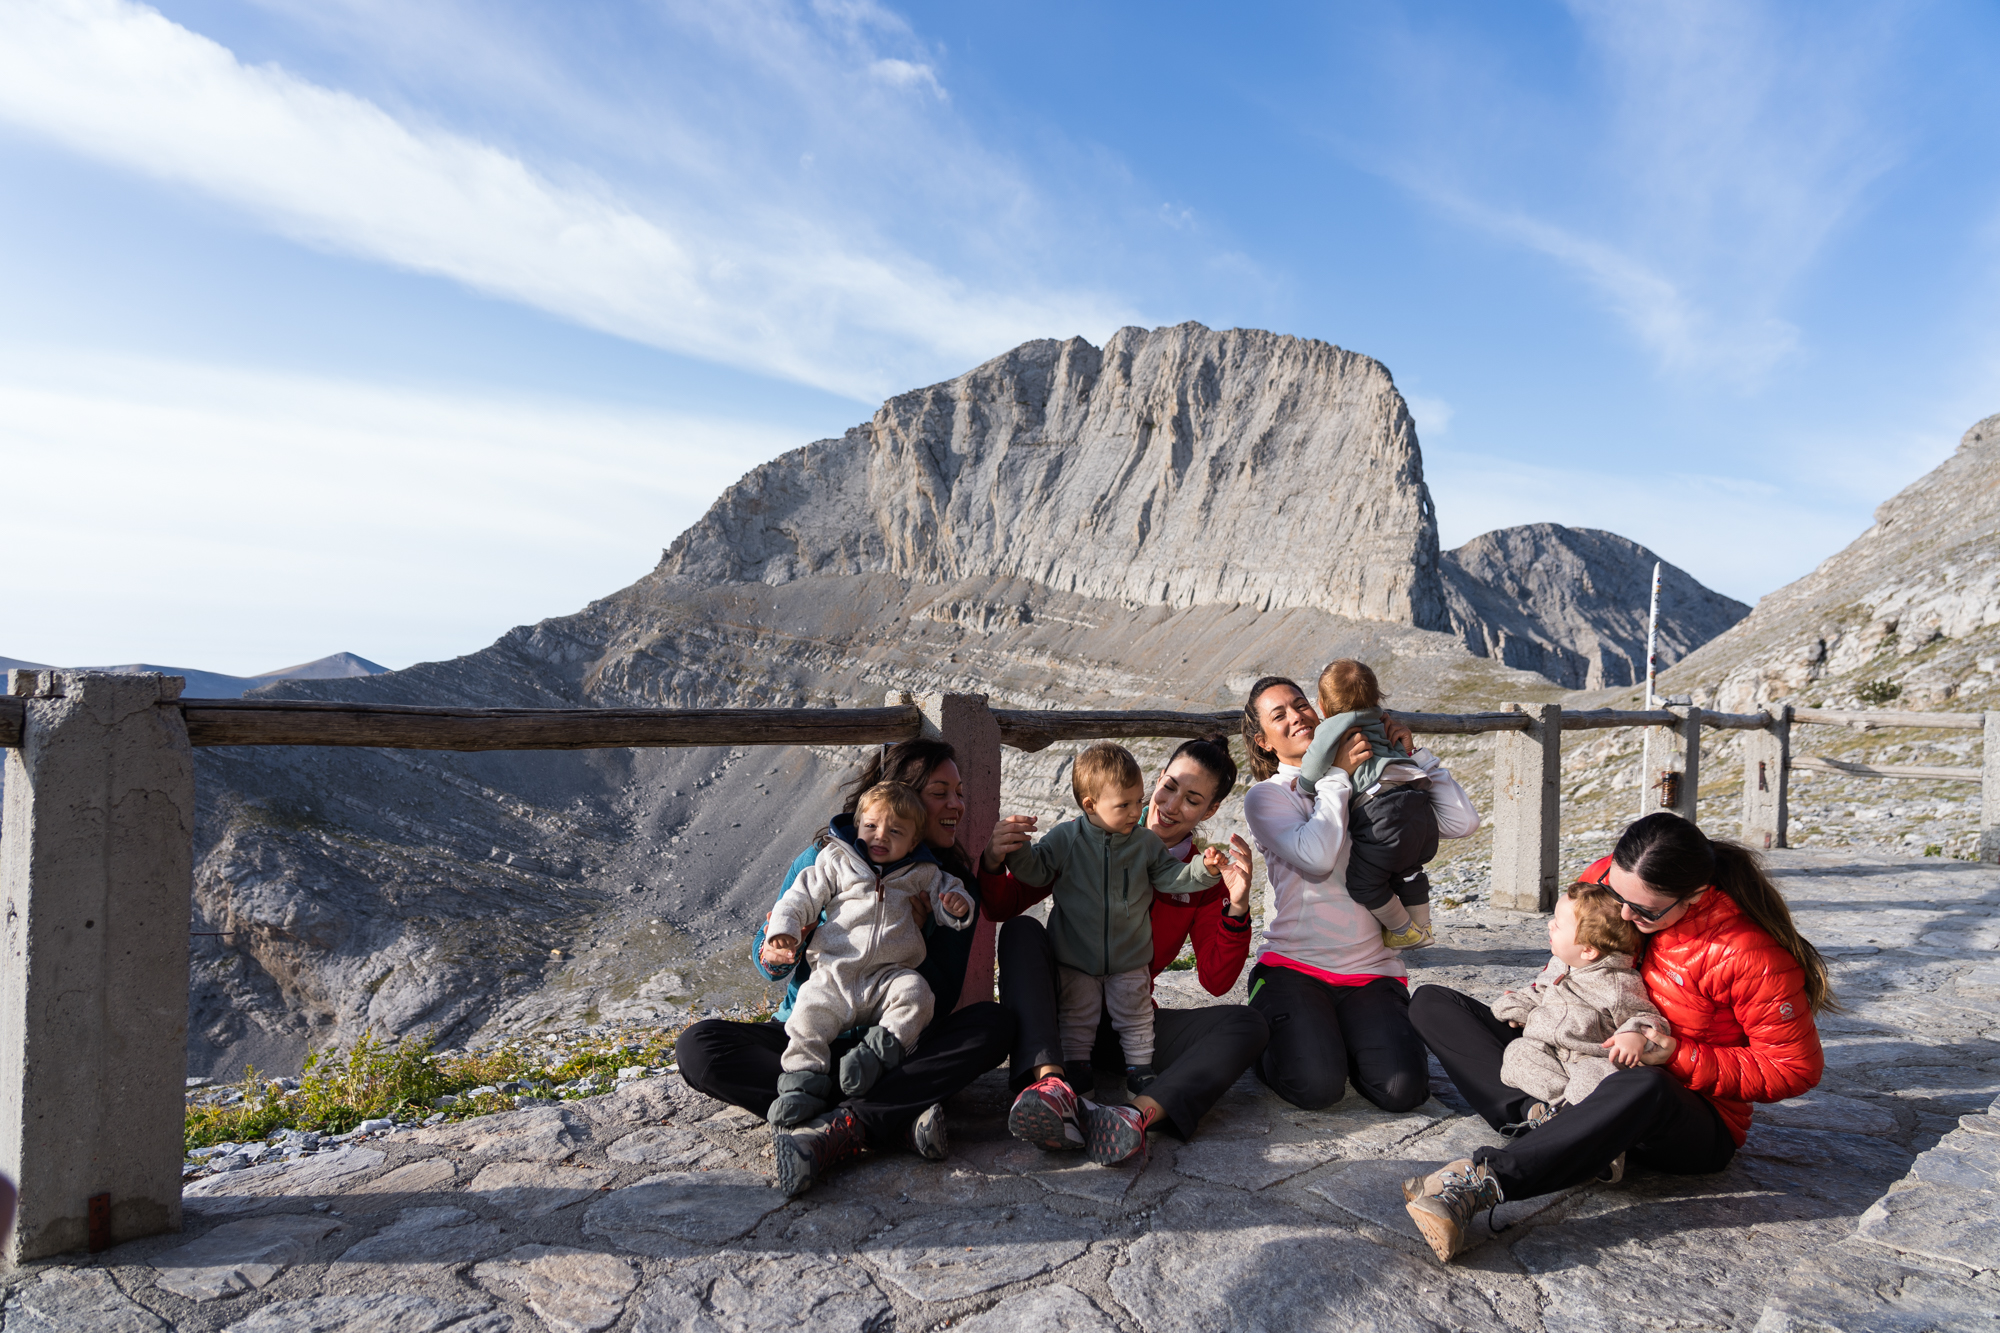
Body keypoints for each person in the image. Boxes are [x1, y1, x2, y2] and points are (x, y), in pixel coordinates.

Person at [1403, 812, 1833, 1264]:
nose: (1625, 914)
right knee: (1433, 1003)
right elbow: (1568, 962)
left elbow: (1795, 1069)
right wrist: (1538, 1007)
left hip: (1677, 1115)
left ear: (1695, 895)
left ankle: (1481, 1183)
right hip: (1574, 1070)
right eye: (1618, 894)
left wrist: (1676, 1056)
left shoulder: (1743, 952)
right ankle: (1554, 1126)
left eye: (1645, 911)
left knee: (1644, 1084)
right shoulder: (1606, 880)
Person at [675, 739, 1016, 1196]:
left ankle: (833, 1118)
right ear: (901, 794)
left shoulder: (948, 888)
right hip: (812, 1029)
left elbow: (943, 992)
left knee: (993, 1024)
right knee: (698, 1047)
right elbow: (771, 944)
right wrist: (779, 951)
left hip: (889, 1046)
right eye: (941, 793)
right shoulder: (825, 859)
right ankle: (886, 1118)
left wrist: (921, 934)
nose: (957, 804)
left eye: (959, 792)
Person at [988, 737, 1268, 1165]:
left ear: (1210, 811)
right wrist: (997, 856)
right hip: (1065, 1008)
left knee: (1246, 1024)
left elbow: (1216, 981)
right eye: (1169, 787)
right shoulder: (1082, 839)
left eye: (1192, 800)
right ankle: (1053, 1087)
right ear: (1157, 780)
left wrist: (1238, 905)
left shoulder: (1200, 876)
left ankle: (1133, 1116)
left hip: (1130, 1023)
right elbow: (1003, 904)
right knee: (1021, 931)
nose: (1169, 806)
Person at [1238, 675, 1480, 1114]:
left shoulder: (1376, 777)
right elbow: (1317, 858)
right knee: (1315, 1086)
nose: (1297, 717)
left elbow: (1461, 823)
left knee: (1403, 1091)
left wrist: (1415, 756)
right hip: (1295, 968)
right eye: (1279, 715)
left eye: (1301, 705)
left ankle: (1335, 1036)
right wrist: (1336, 775)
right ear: (1264, 742)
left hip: (1373, 971)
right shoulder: (1268, 796)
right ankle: (1270, 1029)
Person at [759, 782, 974, 1128]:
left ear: (914, 841)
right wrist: (783, 932)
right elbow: (798, 897)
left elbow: (949, 892)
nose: (880, 836)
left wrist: (956, 907)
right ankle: (802, 1085)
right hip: (835, 973)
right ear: (858, 824)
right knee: (808, 1014)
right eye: (871, 826)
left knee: (917, 993)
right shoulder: (835, 860)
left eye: (896, 831)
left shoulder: (923, 871)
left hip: (887, 977)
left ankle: (873, 1057)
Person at [1489, 885, 1670, 1131]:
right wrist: (1517, 1005)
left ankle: (1582, 1129)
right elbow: (1541, 992)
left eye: (1558, 924)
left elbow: (1646, 1016)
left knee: (1596, 1080)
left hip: (1591, 1058)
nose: (1549, 925)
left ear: (1588, 950)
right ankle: (1562, 1107)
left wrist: (1635, 1033)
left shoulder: (1617, 983)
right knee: (1518, 1053)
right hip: (1552, 1051)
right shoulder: (1560, 964)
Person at [1298, 659, 1441, 949]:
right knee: (1410, 870)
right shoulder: (1381, 719)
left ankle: (1403, 930)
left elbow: (1314, 763)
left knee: (1364, 883)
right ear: (1377, 697)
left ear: (1322, 706)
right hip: (1419, 804)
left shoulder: (1333, 727)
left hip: (1380, 811)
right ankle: (1424, 927)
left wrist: (1303, 785)